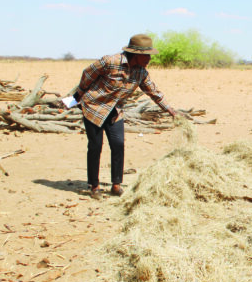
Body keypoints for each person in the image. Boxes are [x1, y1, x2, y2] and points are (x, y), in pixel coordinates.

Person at [72, 34, 178, 199]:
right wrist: (79, 93)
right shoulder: (110, 62)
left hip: (115, 111)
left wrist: (170, 110)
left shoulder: (141, 72)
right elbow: (88, 73)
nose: (149, 58)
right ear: (136, 54)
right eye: (147, 55)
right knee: (95, 146)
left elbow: (153, 91)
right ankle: (94, 186)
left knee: (118, 144)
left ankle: (116, 185)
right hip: (94, 108)